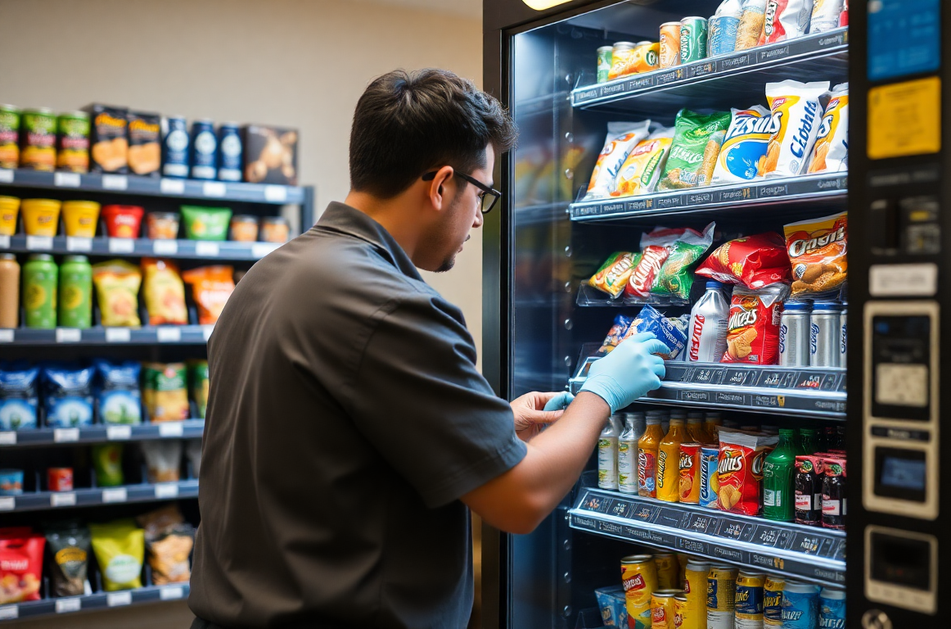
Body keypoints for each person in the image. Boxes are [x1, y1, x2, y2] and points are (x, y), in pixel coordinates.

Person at [188, 68, 667, 629]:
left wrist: (490, 429)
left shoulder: (268, 277)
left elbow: (329, 441)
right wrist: (601, 393)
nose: (476, 221)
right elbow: (521, 499)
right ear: (442, 186)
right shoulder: (394, 305)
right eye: (482, 194)